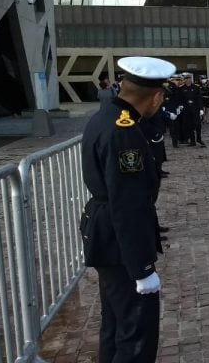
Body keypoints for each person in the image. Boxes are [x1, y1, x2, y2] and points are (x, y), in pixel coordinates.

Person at [80, 56, 174, 362]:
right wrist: (142, 269)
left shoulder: (104, 116)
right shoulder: (124, 132)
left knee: (115, 326)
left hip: (105, 236)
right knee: (136, 334)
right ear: (157, 96)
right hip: (121, 246)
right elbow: (128, 205)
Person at [179, 73, 206, 147]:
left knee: (198, 124)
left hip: (195, 108)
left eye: (189, 79)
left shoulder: (196, 88)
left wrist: (201, 108)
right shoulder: (181, 88)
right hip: (186, 109)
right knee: (189, 125)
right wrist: (180, 105)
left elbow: (199, 99)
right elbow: (180, 99)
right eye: (186, 79)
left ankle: (199, 139)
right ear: (184, 80)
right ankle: (192, 141)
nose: (188, 80)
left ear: (191, 79)